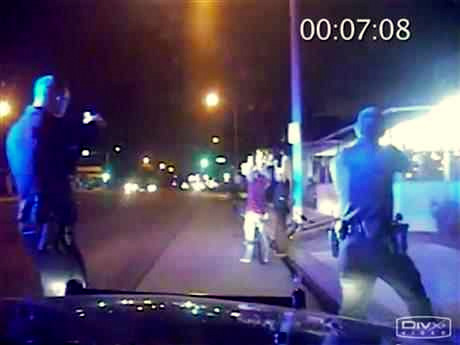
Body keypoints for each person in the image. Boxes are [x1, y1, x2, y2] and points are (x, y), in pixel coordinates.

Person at [330, 106, 432, 320]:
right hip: (382, 245)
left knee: (352, 314)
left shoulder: (341, 158)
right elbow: (406, 164)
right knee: (415, 296)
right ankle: (429, 336)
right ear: (382, 131)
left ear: (357, 129)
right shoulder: (388, 155)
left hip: (353, 245)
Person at [6, 75, 104, 288]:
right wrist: (94, 124)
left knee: (55, 282)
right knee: (68, 293)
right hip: (51, 222)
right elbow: (83, 135)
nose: (65, 106)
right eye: (65, 100)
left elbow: (54, 163)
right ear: (56, 96)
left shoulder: (15, 131)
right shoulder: (48, 125)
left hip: (29, 220)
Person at [240, 149, 271, 263]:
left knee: (252, 232)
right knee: (257, 232)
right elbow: (246, 173)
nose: (257, 158)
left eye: (259, 156)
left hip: (256, 207)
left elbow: (252, 176)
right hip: (256, 206)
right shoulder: (258, 172)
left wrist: (255, 167)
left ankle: (251, 255)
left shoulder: (262, 172)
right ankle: (262, 256)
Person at [271, 149, 291, 257]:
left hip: (280, 199)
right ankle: (278, 246)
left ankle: (279, 246)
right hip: (280, 199)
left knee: (280, 224)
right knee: (280, 224)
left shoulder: (284, 178)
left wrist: (276, 166)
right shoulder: (284, 178)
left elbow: (280, 177)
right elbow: (279, 176)